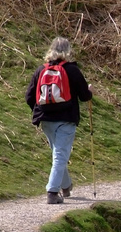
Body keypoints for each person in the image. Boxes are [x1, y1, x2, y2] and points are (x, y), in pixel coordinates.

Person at [25, 37, 93, 204]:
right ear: (68, 51)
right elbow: (85, 96)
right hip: (66, 119)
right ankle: (52, 192)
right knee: (60, 155)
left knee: (58, 154)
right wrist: (90, 91)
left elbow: (29, 97)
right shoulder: (72, 70)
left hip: (46, 121)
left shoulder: (41, 70)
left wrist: (40, 111)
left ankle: (66, 186)